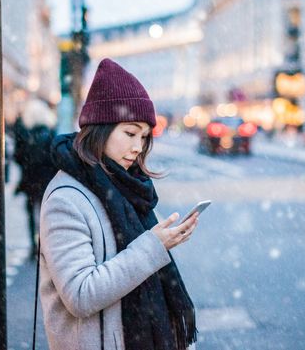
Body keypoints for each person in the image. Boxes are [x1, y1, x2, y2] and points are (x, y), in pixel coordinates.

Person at [39, 58, 199, 350]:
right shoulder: (66, 199)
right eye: (129, 133)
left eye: (144, 137)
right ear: (101, 127)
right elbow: (80, 294)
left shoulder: (124, 185)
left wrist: (164, 241)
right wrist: (153, 246)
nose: (137, 147)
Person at [12, 99, 58, 259]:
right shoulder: (51, 134)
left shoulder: (25, 135)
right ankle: (46, 244)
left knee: (31, 213)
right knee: (46, 213)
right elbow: (55, 159)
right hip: (47, 180)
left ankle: (34, 246)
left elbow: (18, 157)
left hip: (31, 180)